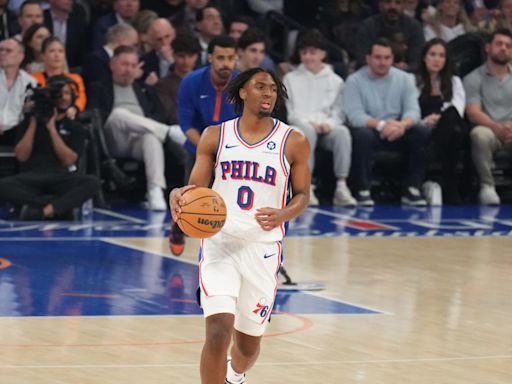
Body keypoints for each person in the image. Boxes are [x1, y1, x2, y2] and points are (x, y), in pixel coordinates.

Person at [169, 67, 311, 384]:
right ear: (243, 92)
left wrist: (283, 213)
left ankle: (236, 375)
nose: (268, 93)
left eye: (272, 89)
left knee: (247, 349)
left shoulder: (294, 141)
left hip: (263, 249)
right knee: (218, 331)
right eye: (260, 87)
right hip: (220, 244)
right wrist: (175, 197)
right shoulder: (215, 136)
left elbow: (302, 195)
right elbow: (193, 193)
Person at [87, 45, 187, 211]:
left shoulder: (144, 89)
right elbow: (96, 116)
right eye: (124, 64)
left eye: (133, 66)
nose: (129, 70)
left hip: (138, 140)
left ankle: (155, 190)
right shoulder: (99, 88)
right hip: (113, 138)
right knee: (119, 114)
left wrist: (147, 126)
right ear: (112, 65)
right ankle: (169, 132)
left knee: (151, 137)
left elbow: (159, 114)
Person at [170, 35, 238, 255]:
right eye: (220, 57)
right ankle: (178, 226)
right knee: (189, 197)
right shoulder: (191, 81)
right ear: (210, 57)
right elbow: (186, 124)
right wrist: (207, 148)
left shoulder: (242, 85)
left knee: (230, 203)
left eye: (230, 58)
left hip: (232, 150)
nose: (225, 63)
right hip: (198, 146)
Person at [0, 75, 100, 220]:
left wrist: (52, 128)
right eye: (58, 94)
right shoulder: (28, 123)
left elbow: (68, 161)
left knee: (92, 182)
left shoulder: (75, 127)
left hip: (60, 177)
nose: (63, 98)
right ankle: (58, 208)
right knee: (3, 185)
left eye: (66, 93)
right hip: (30, 177)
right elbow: (22, 156)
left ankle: (40, 211)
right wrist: (33, 121)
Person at [344, 38, 430, 206]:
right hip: (372, 130)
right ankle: (363, 189)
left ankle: (412, 188)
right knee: (361, 134)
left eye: (387, 58)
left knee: (421, 131)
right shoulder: (354, 81)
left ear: (392, 58)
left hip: (398, 129)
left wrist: (402, 125)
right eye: (377, 57)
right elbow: (354, 115)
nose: (382, 62)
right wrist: (382, 125)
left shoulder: (406, 79)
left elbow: (414, 111)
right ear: (368, 58)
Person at [283, 29, 356, 206]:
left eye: (313, 52)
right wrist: (310, 124)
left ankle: (341, 186)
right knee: (307, 132)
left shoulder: (336, 80)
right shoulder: (290, 78)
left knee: (343, 133)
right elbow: (291, 112)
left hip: (325, 127)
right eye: (304, 53)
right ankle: (306, 187)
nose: (308, 57)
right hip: (300, 127)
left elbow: (339, 112)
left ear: (323, 54)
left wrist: (329, 124)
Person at [464, 28, 512, 205]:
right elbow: (473, 112)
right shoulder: (473, 78)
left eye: (508, 46)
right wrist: (498, 128)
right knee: (479, 134)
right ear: (488, 48)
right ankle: (487, 187)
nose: (504, 49)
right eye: (499, 44)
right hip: (491, 130)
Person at [416, 38, 467, 204]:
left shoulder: (455, 82)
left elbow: (458, 110)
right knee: (453, 135)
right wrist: (424, 121)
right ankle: (450, 187)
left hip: (448, 125)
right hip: (424, 127)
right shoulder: (412, 81)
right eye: (432, 55)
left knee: (451, 117)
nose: (437, 59)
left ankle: (429, 155)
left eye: (441, 56)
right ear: (424, 57)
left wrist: (439, 120)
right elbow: (408, 109)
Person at [357, 0, 426, 72]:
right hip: (373, 74)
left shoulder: (414, 27)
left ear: (404, 5)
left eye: (398, 2)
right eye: (388, 2)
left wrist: (407, 68)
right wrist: (390, 68)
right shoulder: (368, 26)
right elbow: (362, 58)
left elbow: (418, 61)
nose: (392, 6)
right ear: (380, 5)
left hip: (405, 75)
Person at [32, 36, 87, 114]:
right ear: (43, 55)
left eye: (60, 51)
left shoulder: (75, 79)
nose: (57, 55)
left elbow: (81, 98)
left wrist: (75, 108)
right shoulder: (33, 78)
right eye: (52, 51)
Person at [0, 38, 37, 146]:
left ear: (20, 56)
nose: (2, 53)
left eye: (8, 51)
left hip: (18, 132)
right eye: (1, 50)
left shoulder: (30, 82)